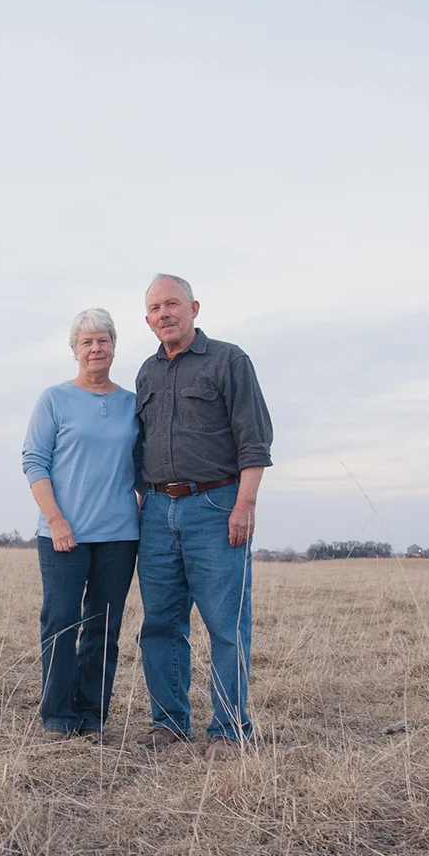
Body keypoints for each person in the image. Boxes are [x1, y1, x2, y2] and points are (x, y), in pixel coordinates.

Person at [133, 274, 273, 761]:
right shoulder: (146, 374)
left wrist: (245, 503)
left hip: (216, 506)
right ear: (147, 319)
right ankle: (168, 722)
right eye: (154, 308)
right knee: (160, 623)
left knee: (225, 624)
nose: (163, 314)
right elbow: (140, 445)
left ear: (194, 307)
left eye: (172, 304)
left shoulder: (228, 361)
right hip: (156, 510)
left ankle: (229, 731)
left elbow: (255, 438)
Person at [21, 308, 141, 742]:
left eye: (103, 340)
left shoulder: (131, 403)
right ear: (74, 349)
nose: (96, 348)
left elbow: (142, 467)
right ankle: (58, 716)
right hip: (62, 534)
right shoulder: (54, 399)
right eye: (87, 341)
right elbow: (34, 461)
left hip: (120, 536)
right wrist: (56, 520)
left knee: (104, 627)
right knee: (60, 621)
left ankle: (93, 716)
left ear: (114, 347)